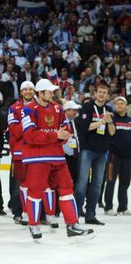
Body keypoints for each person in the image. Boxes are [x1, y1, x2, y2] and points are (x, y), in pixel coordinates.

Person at [21, 79, 93, 240]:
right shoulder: (28, 110)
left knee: (67, 188)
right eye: (50, 91)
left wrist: (64, 135)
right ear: (40, 93)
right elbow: (30, 135)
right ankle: (33, 225)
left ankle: (72, 224)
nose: (53, 94)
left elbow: (64, 128)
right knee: (36, 191)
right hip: (37, 158)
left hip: (57, 157)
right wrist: (56, 135)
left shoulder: (58, 108)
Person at [75, 84, 116, 225]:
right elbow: (85, 129)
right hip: (88, 150)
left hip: (103, 152)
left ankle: (90, 215)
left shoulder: (109, 110)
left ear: (108, 95)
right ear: (95, 93)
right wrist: (102, 121)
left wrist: (109, 122)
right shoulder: (87, 107)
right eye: (100, 92)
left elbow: (112, 132)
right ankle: (75, 213)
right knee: (82, 183)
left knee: (97, 185)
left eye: (105, 92)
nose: (102, 94)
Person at [7, 81, 35, 225]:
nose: (28, 92)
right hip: (19, 152)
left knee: (36, 184)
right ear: (21, 92)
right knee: (18, 185)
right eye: (25, 89)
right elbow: (15, 132)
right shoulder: (13, 108)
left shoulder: (39, 106)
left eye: (31, 89)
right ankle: (18, 212)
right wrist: (29, 121)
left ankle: (35, 213)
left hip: (37, 152)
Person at [103, 97, 131, 216]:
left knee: (125, 182)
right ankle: (108, 207)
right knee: (110, 181)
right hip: (114, 156)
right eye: (117, 104)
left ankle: (123, 208)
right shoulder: (111, 118)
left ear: (126, 106)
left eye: (122, 103)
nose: (119, 105)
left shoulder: (130, 120)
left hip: (128, 156)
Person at [62, 100, 82, 185]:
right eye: (74, 110)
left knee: (74, 180)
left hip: (75, 157)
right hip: (64, 157)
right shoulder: (60, 122)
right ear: (67, 110)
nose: (76, 112)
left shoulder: (75, 121)